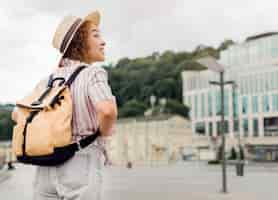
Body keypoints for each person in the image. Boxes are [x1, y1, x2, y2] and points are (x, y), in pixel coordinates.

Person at [26, 10, 117, 200]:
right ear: (79, 43)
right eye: (96, 35)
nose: (103, 41)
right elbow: (107, 111)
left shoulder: (47, 81)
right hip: (80, 161)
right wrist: (104, 136)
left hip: (45, 166)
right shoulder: (92, 74)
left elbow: (18, 115)